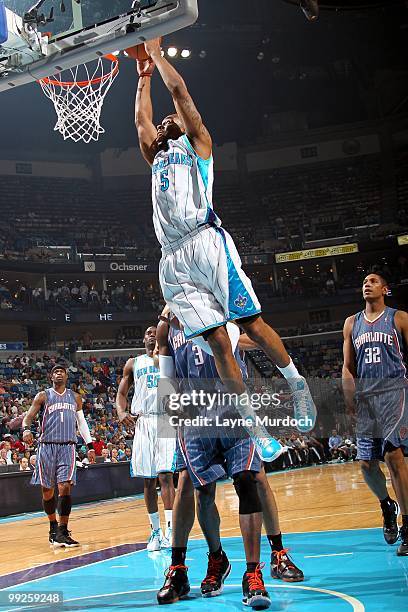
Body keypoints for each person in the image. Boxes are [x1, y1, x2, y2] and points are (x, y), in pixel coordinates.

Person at [133, 38, 316, 461]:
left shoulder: (199, 146)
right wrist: (141, 76)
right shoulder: (156, 156)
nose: (162, 123)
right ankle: (255, 428)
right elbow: (141, 120)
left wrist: (158, 56)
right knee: (217, 342)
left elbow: (179, 95)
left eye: (169, 120)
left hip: (207, 242)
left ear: (183, 122)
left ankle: (296, 382)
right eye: (161, 124)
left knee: (250, 323)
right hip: (173, 260)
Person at [156, 314, 303, 609]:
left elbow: (251, 335)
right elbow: (167, 381)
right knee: (197, 489)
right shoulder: (166, 326)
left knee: (252, 478)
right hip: (196, 420)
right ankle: (201, 563)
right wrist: (170, 412)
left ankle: (260, 567)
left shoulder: (221, 310)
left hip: (235, 413)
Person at [342, 268, 408, 556]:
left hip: (395, 393)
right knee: (367, 465)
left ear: (385, 289)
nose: (366, 285)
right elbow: (348, 367)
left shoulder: (400, 318)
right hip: (367, 399)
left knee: (394, 456)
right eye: (364, 282)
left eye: (373, 282)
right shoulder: (351, 323)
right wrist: (349, 398)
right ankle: (386, 504)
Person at [116, 326, 176, 551]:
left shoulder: (169, 357)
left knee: (166, 476)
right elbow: (121, 394)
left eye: (155, 331)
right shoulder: (133, 363)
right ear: (143, 338)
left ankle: (171, 529)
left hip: (165, 418)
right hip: (143, 420)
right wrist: (122, 413)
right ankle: (155, 532)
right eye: (148, 332)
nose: (151, 334)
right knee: (148, 480)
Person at [22, 364, 94, 548]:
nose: (59, 373)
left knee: (65, 487)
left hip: (67, 447)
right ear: (51, 376)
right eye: (55, 371)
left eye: (62, 371)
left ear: (66, 375)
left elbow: (82, 423)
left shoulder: (75, 397)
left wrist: (90, 445)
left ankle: (63, 530)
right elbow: (28, 416)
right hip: (46, 446)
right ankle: (53, 526)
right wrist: (26, 430)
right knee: (47, 490)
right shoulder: (43, 396)